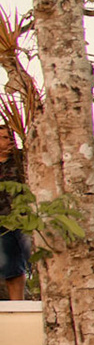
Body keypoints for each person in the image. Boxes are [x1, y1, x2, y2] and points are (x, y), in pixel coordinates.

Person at [0, 124, 29, 299]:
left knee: (44, 262)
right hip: (3, 224)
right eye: (4, 137)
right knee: (12, 270)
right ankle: (17, 308)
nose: (10, 140)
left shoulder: (23, 159)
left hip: (27, 220)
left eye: (11, 136)